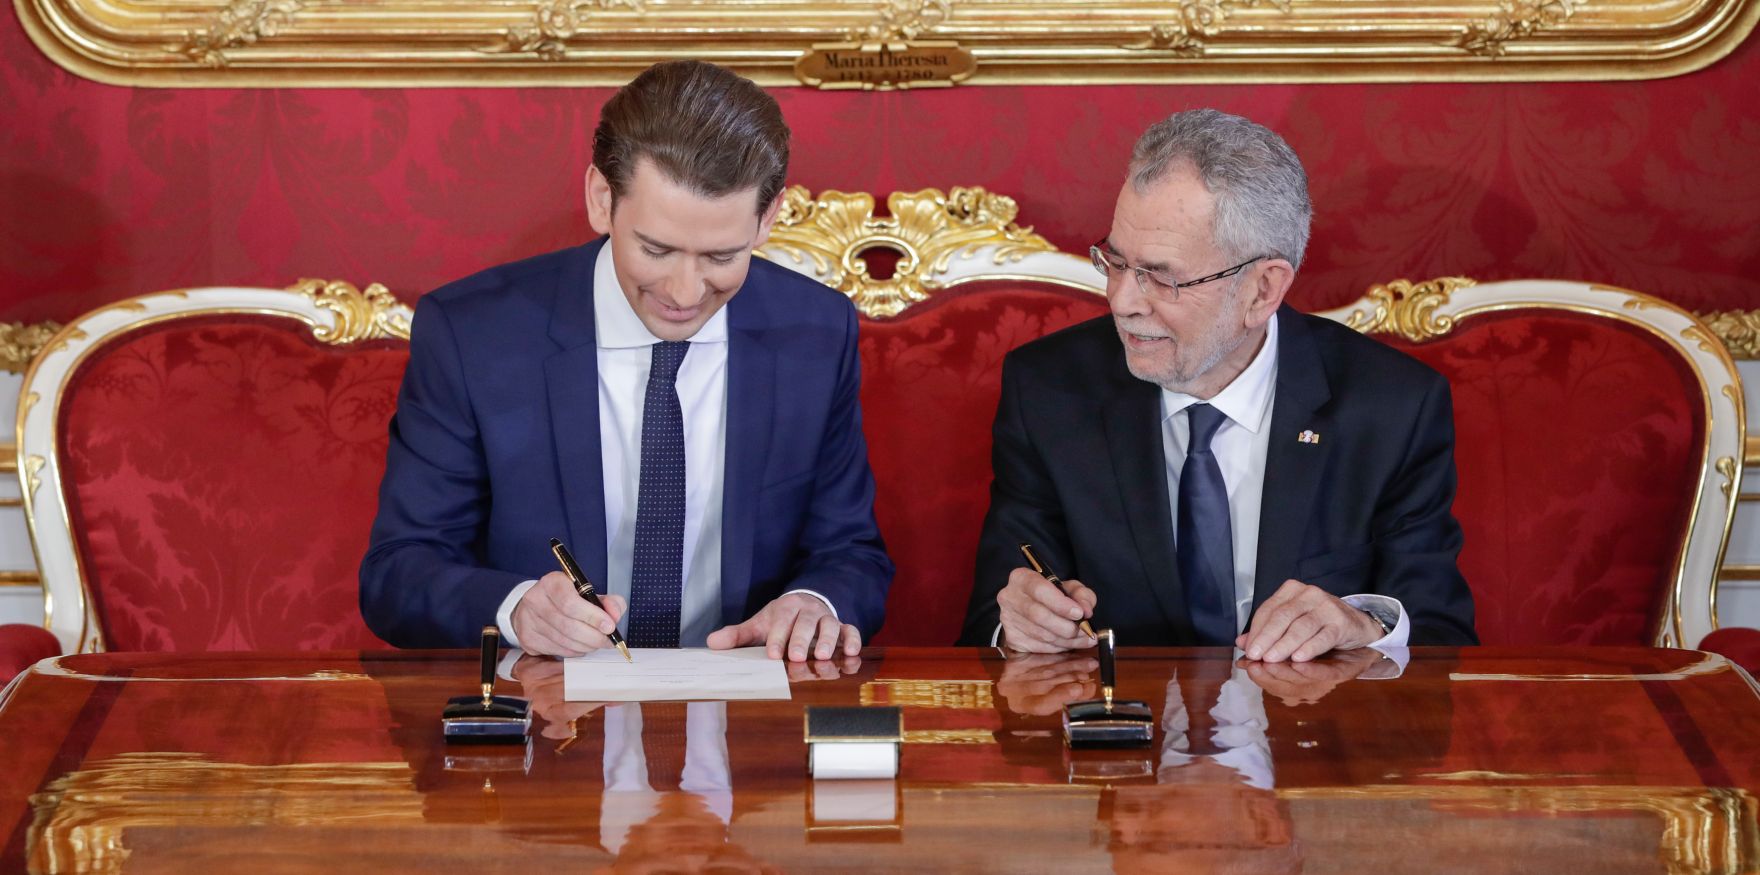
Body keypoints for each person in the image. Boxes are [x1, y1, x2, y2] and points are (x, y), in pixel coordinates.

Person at [361, 60, 892, 661]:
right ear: (600, 199)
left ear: (767, 220)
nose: (686, 292)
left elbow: (850, 553)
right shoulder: (473, 334)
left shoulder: (815, 332)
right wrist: (515, 608)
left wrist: (814, 602)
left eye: (721, 256)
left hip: (749, 720)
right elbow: (397, 575)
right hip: (551, 723)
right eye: (656, 249)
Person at [960, 108, 1476, 659]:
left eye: (1161, 276)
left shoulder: (1392, 407)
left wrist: (1364, 625)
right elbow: (994, 616)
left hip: (1304, 734)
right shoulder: (1049, 392)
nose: (1123, 301)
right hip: (1121, 735)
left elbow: (1440, 636)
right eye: (1114, 261)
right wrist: (1016, 626)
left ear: (1262, 290)